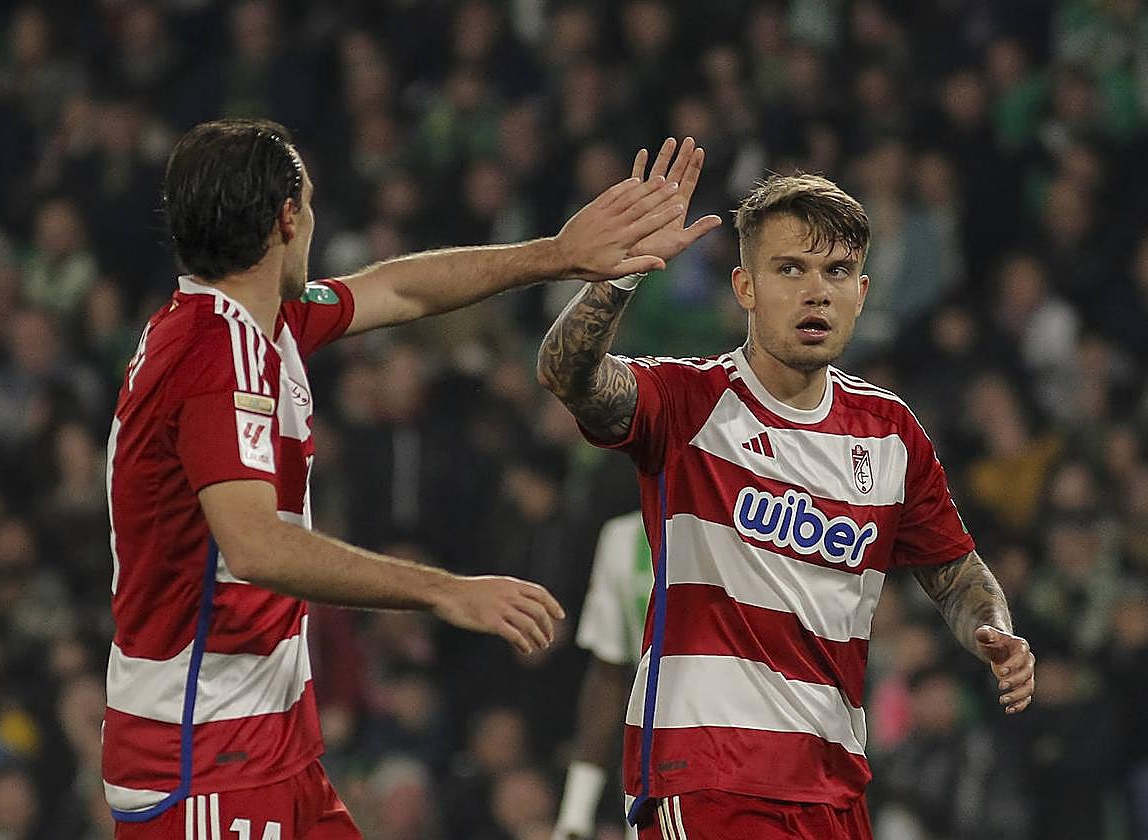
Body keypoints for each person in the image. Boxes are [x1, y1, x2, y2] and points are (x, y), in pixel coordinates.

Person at [103, 117, 688, 839]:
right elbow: (256, 546)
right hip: (204, 756)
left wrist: (559, 256)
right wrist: (444, 591)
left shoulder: (255, 321)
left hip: (269, 744)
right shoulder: (213, 357)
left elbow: (399, 291)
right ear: (287, 218)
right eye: (310, 204)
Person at [537, 137, 1037, 839]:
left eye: (837, 271)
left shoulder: (890, 434)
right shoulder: (687, 400)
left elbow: (954, 573)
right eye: (790, 269)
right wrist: (616, 279)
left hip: (833, 790)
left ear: (861, 295)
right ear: (745, 288)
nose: (815, 291)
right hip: (707, 777)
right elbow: (569, 375)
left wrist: (993, 629)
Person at [554, 511, 654, 840]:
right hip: (655, 776)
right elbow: (608, 677)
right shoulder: (624, 539)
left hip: (756, 761)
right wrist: (575, 816)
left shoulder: (760, 525)